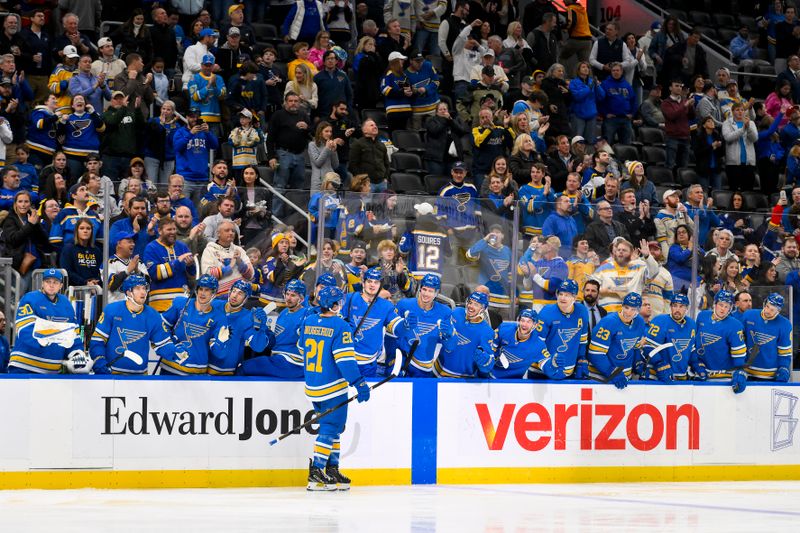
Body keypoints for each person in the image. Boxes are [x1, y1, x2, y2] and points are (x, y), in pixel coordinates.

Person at [298, 285, 370, 491]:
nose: (342, 304)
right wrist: (359, 382)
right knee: (330, 427)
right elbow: (345, 361)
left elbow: (302, 348)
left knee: (335, 428)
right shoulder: (341, 326)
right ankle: (317, 471)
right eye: (339, 301)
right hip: (332, 387)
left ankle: (331, 468)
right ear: (334, 304)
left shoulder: (309, 320)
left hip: (313, 384)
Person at [89, 275, 184, 375]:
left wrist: (175, 352)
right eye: (138, 288)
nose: (143, 292)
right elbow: (98, 340)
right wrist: (99, 359)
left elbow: (162, 344)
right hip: (113, 374)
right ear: (128, 292)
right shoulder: (112, 310)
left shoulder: (153, 315)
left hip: (140, 377)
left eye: (144, 288)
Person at [7, 268, 86, 374]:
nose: (51, 285)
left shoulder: (66, 304)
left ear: (61, 286)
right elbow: (24, 329)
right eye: (48, 281)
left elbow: (74, 333)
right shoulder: (30, 298)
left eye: (55, 282)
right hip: (24, 365)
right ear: (42, 283)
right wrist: (54, 337)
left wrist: (76, 353)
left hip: (52, 370)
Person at [341, 267, 416, 377]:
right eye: (369, 281)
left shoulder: (386, 306)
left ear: (380, 285)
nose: (372, 285)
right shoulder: (349, 299)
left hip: (369, 364)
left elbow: (395, 326)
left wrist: (405, 325)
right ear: (363, 283)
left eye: (376, 282)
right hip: (346, 359)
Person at [159, 274, 229, 376]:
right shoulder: (181, 304)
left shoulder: (219, 317)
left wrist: (220, 344)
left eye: (207, 290)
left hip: (196, 371)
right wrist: (169, 344)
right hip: (170, 367)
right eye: (201, 289)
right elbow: (160, 328)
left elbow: (219, 354)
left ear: (214, 293)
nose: (202, 293)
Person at [238, 279, 309, 378]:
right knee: (243, 362)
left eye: (293, 295)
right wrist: (262, 326)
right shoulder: (284, 312)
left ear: (301, 298)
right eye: (287, 294)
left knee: (245, 367)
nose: (288, 298)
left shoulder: (306, 314)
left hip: (293, 363)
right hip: (279, 359)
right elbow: (274, 341)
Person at [390, 274, 452, 377]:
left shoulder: (445, 312)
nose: (426, 294)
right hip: (401, 361)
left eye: (430, 291)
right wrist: (391, 361)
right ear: (420, 289)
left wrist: (449, 336)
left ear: (436, 293)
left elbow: (449, 346)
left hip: (424, 366)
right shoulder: (404, 305)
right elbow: (392, 333)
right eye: (424, 289)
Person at [530, 279, 590, 379]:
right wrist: (548, 364)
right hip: (541, 371)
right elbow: (536, 344)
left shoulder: (582, 311)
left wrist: (581, 359)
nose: (562, 297)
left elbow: (582, 341)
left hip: (568, 372)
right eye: (561, 294)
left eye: (567, 295)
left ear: (574, 298)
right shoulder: (546, 312)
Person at [587, 292, 647, 389]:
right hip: (601, 378)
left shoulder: (639, 322)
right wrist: (613, 372)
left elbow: (635, 347)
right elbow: (595, 354)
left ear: (638, 310)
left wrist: (638, 362)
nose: (628, 312)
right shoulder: (608, 322)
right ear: (622, 306)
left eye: (633, 309)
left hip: (624, 379)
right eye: (626, 307)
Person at [695, 290, 748, 393]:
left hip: (724, 377)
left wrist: (740, 370)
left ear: (730, 308)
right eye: (721, 305)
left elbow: (739, 353)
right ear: (715, 304)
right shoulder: (702, 316)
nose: (723, 309)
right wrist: (696, 364)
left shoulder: (735, 325)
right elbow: (695, 343)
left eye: (726, 306)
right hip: (702, 373)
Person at [642, 293, 702, 381]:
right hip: (658, 377)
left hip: (681, 377)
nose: (677, 309)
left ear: (686, 308)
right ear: (670, 307)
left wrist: (697, 365)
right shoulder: (660, 321)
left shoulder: (692, 324)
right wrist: (659, 363)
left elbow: (691, 349)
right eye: (675, 306)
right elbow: (648, 347)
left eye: (681, 306)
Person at [434, 291, 494, 378]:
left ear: (483, 309)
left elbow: (487, 363)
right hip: (437, 370)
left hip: (464, 379)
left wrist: (486, 362)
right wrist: (443, 335)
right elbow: (442, 336)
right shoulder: (456, 313)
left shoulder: (486, 331)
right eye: (470, 302)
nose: (471, 306)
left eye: (476, 304)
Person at [143, 217, 196, 312]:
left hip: (183, 302)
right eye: (169, 229)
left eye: (174, 229)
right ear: (159, 231)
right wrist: (177, 262)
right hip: (159, 305)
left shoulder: (182, 246)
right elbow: (155, 273)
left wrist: (190, 265)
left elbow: (192, 276)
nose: (172, 232)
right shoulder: (151, 248)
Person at [594, 237, 659, 312]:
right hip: (608, 313)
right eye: (618, 250)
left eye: (624, 250)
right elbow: (592, 289)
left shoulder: (639, 267)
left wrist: (647, 256)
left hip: (630, 313)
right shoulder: (603, 269)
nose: (621, 252)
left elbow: (654, 272)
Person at [740, 293, 793, 382]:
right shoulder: (748, 315)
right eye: (767, 306)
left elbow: (785, 353)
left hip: (770, 375)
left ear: (778, 311)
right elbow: (738, 341)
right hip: (747, 373)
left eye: (772, 310)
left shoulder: (785, 324)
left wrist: (784, 367)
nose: (767, 311)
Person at [1, 190, 47, 292]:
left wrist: (36, 224)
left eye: (26, 202)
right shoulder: (9, 220)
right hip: (19, 266)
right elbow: (14, 240)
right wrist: (29, 225)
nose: (23, 205)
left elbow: (44, 241)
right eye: (20, 201)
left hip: (36, 264)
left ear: (30, 204)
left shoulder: (32, 218)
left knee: (36, 298)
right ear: (15, 204)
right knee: (19, 297)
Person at [173, 108, 219, 203]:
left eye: (196, 117)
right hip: (185, 178)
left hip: (202, 178)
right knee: (184, 208)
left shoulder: (204, 133)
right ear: (186, 117)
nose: (194, 119)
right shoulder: (180, 132)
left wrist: (208, 133)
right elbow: (177, 148)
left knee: (200, 210)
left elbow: (215, 145)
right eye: (192, 117)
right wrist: (190, 134)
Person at [466, 225, 513, 310]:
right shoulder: (484, 248)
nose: (495, 234)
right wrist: (485, 239)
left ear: (502, 236)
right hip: (486, 297)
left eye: (498, 232)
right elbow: (469, 255)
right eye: (492, 232)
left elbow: (511, 274)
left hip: (504, 300)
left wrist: (513, 294)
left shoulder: (507, 250)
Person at [59, 217, 101, 287]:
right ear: (76, 231)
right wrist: (85, 282)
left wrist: (95, 281)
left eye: (88, 228)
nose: (85, 231)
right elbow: (67, 271)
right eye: (82, 228)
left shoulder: (96, 250)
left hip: (95, 287)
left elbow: (101, 270)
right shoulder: (68, 248)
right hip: (75, 288)